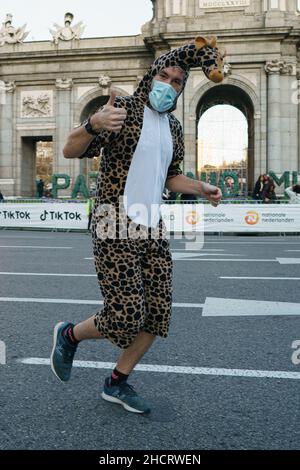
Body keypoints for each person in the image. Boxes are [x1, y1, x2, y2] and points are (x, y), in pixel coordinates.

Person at [51, 36, 224, 414]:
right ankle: (69, 334)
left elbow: (171, 177)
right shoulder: (123, 110)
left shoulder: (174, 129)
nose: (169, 84)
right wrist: (94, 123)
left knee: (158, 313)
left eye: (177, 81)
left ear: (183, 87)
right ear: (151, 75)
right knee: (125, 315)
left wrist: (200, 187)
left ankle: (117, 382)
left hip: (152, 227)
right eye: (163, 75)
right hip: (113, 220)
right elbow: (68, 149)